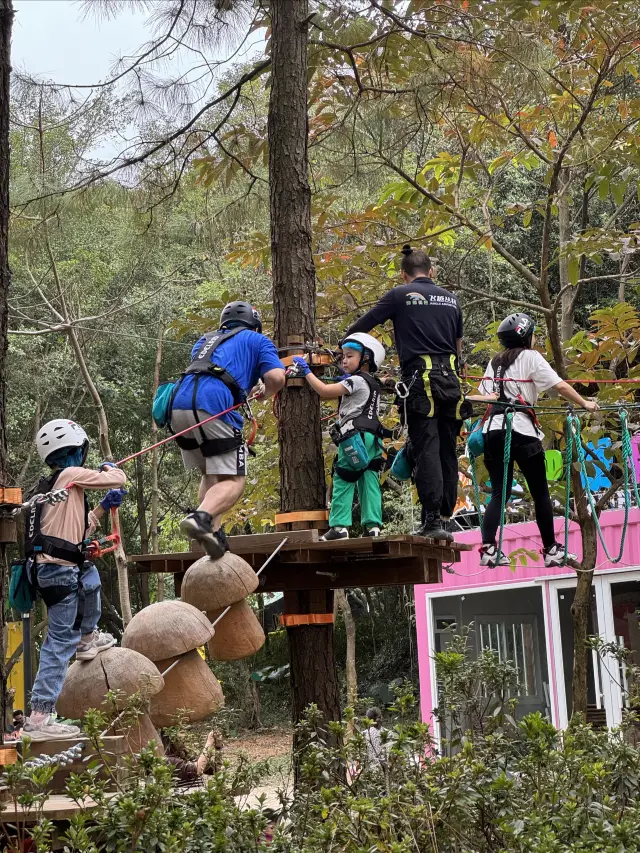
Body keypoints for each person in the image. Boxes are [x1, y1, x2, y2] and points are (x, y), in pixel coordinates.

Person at [343, 245, 467, 541]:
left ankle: (433, 519)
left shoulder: (400, 295)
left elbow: (362, 327)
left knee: (427, 450)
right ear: (432, 271)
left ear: (404, 274)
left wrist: (343, 345)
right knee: (447, 450)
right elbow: (458, 346)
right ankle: (444, 518)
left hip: (420, 382)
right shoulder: (452, 300)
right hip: (451, 382)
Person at [23, 419, 127, 741]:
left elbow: (77, 533)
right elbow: (118, 478)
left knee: (90, 575)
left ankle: (86, 639)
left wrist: (100, 509)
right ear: (74, 450)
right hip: (58, 571)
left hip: (54, 569)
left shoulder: (57, 489)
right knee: (58, 643)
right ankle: (40, 717)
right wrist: (110, 468)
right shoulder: (69, 476)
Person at [474, 313, 599, 568]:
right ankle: (551, 548)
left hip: (493, 430)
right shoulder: (530, 357)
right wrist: (585, 402)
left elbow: (484, 396)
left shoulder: (494, 362)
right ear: (526, 336)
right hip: (521, 430)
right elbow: (559, 386)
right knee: (540, 492)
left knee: (500, 492)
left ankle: (488, 547)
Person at [170, 301, 286, 558]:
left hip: (178, 406)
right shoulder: (258, 341)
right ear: (254, 325)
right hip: (213, 405)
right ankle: (201, 517)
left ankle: (211, 532)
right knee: (234, 480)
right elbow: (277, 377)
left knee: (211, 474)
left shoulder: (205, 341)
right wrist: (266, 392)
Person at [292, 333, 386, 540]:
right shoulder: (373, 383)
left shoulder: (355, 381)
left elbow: (325, 390)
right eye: (343, 356)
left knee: (344, 476)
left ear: (366, 359)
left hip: (354, 437)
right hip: (373, 439)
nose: (344, 360)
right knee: (368, 477)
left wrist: (306, 372)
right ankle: (373, 526)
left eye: (350, 356)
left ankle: (339, 526)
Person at [363, 706, 388, 772]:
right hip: (386, 770)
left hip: (370, 770)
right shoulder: (388, 733)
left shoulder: (364, 734)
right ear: (380, 718)